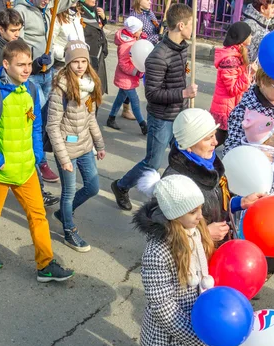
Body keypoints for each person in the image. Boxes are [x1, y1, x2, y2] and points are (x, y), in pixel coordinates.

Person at [0, 39, 75, 283]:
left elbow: (35, 125)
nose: (27, 69)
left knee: (38, 216)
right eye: (21, 65)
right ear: (6, 65)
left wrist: (37, 155)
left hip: (26, 169)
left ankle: (45, 265)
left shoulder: (32, 90)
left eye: (29, 64)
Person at [102, 172, 215, 346]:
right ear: (174, 214)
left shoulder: (194, 232)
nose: (200, 216)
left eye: (199, 209)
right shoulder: (158, 251)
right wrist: (195, 336)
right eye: (193, 212)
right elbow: (162, 304)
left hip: (195, 323)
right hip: (169, 337)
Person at [111, 3, 198, 211]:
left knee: (184, 157)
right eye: (191, 24)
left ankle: (173, 196)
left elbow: (176, 80)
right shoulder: (159, 56)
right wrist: (183, 93)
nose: (193, 29)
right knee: (152, 163)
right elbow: (152, 94)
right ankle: (121, 186)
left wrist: (185, 103)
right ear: (180, 25)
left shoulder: (181, 49)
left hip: (178, 115)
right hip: (161, 118)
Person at [224, 68, 274, 276]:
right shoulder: (245, 111)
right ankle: (243, 279)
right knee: (255, 244)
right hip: (256, 188)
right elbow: (232, 153)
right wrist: (267, 150)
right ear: (261, 82)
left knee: (267, 244)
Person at [163, 108, 264, 246]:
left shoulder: (210, 164)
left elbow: (215, 203)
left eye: (214, 135)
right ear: (189, 145)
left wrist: (240, 202)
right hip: (194, 260)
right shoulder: (173, 182)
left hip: (217, 252)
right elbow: (164, 234)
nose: (215, 142)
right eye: (208, 138)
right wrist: (204, 234)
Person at [47, 40, 104, 252]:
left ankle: (64, 213)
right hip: (67, 150)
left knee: (93, 187)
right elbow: (52, 127)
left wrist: (99, 144)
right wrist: (63, 159)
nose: (80, 65)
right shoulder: (60, 89)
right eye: (75, 62)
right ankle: (69, 231)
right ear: (68, 63)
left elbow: (91, 119)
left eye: (83, 61)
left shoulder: (89, 85)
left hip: (85, 147)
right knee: (68, 191)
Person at [15, 0, 74, 184]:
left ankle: (37, 157)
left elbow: (68, 2)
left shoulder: (49, 7)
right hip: (31, 73)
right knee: (37, 120)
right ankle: (39, 163)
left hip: (47, 73)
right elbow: (18, 47)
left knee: (47, 116)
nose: (46, 1)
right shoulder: (20, 11)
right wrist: (33, 63)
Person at [209, 21, 254, 146]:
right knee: (216, 141)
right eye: (249, 35)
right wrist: (248, 74)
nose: (251, 37)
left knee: (222, 141)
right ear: (242, 37)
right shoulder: (230, 59)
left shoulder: (236, 54)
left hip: (231, 107)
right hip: (225, 110)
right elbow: (233, 89)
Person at [106, 16, 147, 136]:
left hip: (128, 78)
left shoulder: (131, 40)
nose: (141, 32)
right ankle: (143, 125)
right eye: (140, 30)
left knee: (120, 98)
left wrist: (141, 40)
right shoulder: (126, 45)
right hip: (126, 78)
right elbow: (123, 64)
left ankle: (111, 118)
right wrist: (136, 72)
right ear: (133, 32)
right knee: (135, 101)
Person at [77, 0, 108, 96]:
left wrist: (103, 18)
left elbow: (98, 26)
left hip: (99, 55)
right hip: (89, 58)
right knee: (89, 92)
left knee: (98, 90)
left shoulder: (94, 10)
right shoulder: (79, 12)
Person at [52, 2, 84, 71]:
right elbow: (50, 44)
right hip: (63, 64)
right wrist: (65, 53)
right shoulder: (57, 17)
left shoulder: (77, 15)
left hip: (78, 61)